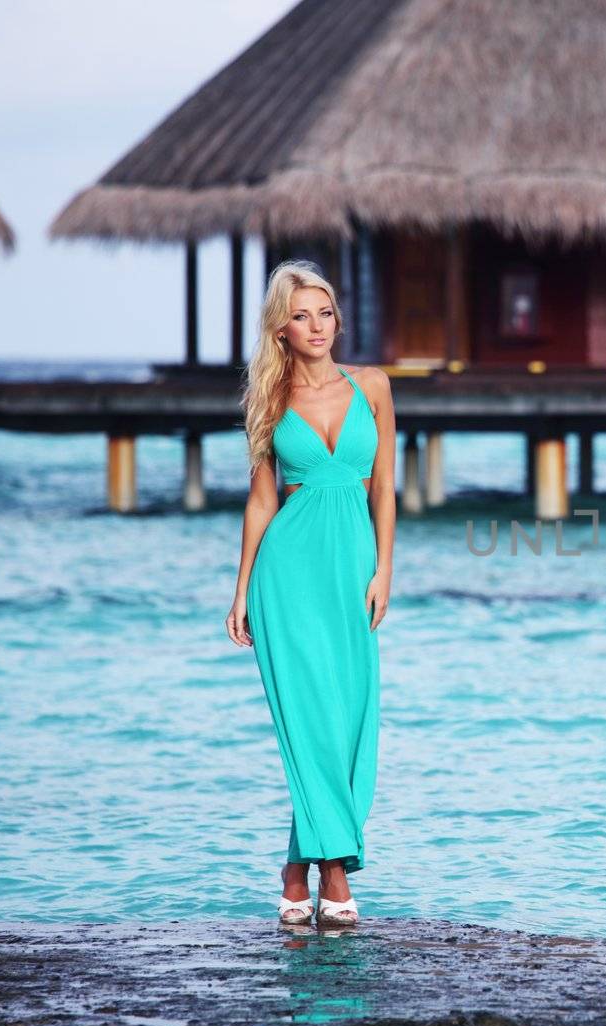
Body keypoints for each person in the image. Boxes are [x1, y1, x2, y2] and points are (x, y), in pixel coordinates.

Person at [224, 260, 396, 926]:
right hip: (286, 575)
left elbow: (384, 486)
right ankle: (331, 873)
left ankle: (295, 868)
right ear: (281, 328)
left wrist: (384, 570)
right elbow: (262, 498)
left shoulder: (373, 386)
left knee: (346, 721)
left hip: (352, 568)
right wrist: (240, 590)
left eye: (325, 311)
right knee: (310, 725)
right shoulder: (269, 399)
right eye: (301, 315)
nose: (317, 325)